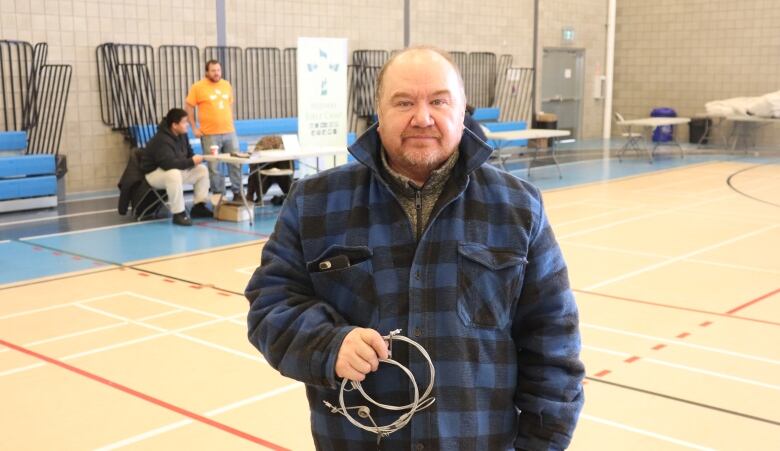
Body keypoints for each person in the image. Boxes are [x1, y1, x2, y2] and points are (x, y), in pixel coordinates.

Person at [246, 46, 584, 450]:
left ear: (462, 111)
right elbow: (270, 305)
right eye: (403, 102)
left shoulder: (517, 207)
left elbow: (554, 343)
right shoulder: (315, 202)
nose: (422, 118)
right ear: (378, 113)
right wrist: (327, 344)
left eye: (438, 101)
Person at [139, 108, 212, 226]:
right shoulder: (161, 140)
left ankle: (199, 206)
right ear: (174, 125)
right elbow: (168, 164)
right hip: (154, 175)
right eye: (184, 122)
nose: (187, 125)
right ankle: (179, 214)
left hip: (174, 171)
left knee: (201, 170)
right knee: (173, 174)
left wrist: (195, 160)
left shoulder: (182, 135)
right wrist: (191, 161)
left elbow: (189, 154)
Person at [185, 60, 242, 200]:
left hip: (229, 131)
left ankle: (237, 193)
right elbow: (189, 107)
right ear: (206, 72)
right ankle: (219, 196)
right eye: (213, 70)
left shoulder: (226, 85)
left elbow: (228, 105)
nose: (216, 73)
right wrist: (194, 127)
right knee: (214, 167)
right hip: (209, 134)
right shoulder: (198, 87)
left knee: (235, 163)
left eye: (218, 70)